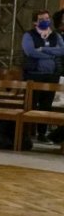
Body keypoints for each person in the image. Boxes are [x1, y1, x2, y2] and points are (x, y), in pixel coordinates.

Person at [22, 9, 64, 142]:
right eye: (41, 19)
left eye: (47, 18)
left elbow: (62, 50)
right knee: (31, 105)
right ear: (35, 22)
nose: (45, 21)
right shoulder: (29, 35)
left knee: (46, 105)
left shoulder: (56, 35)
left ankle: (42, 133)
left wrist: (44, 49)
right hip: (34, 75)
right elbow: (30, 51)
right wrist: (51, 54)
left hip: (51, 75)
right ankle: (26, 133)